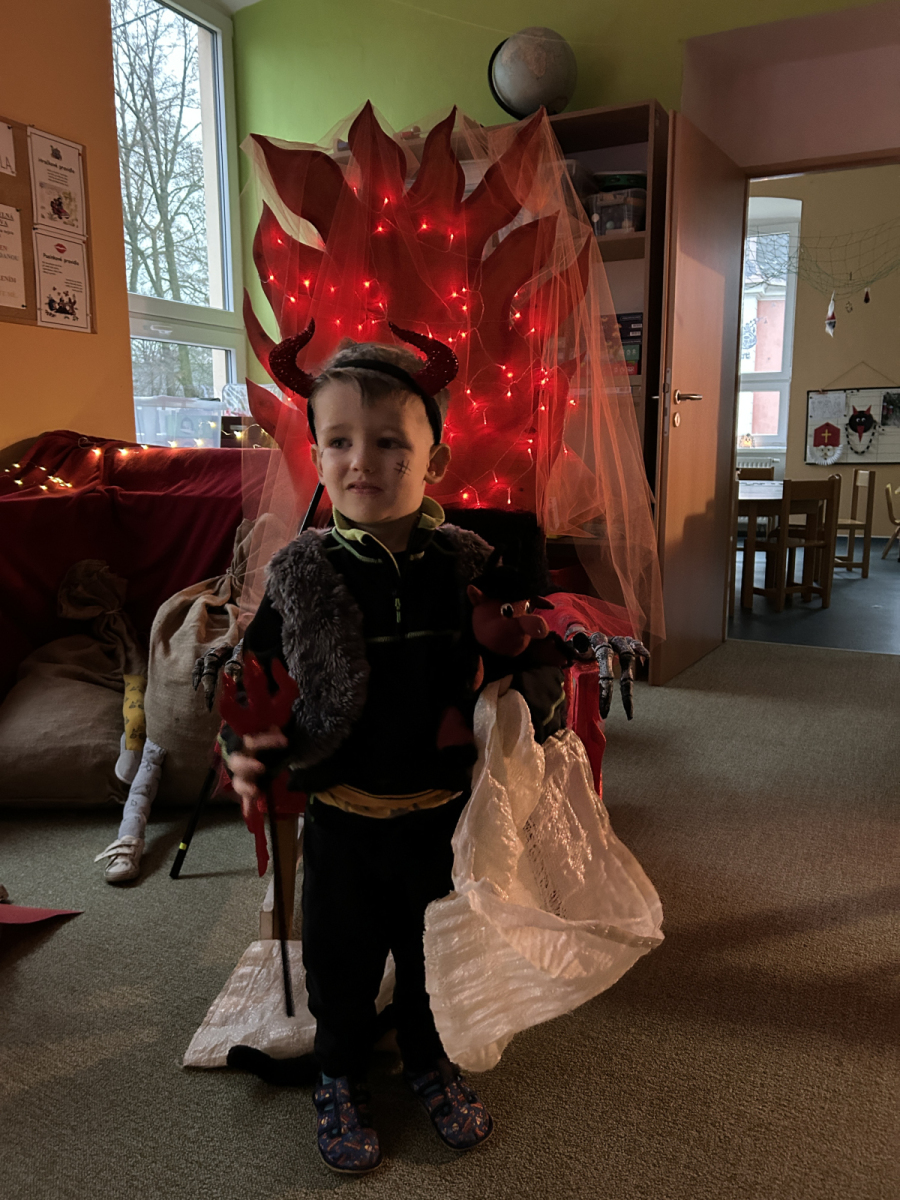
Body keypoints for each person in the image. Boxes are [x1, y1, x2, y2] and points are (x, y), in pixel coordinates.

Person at [225, 337, 495, 1175]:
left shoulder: (463, 568)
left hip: (439, 815)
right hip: (342, 817)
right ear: (316, 455)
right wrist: (247, 748)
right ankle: (338, 1071)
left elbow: (513, 661)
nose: (361, 460)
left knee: (432, 956)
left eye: (388, 442)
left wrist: (534, 680)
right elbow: (251, 683)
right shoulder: (301, 574)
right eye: (339, 440)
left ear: (434, 460)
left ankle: (427, 1059)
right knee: (340, 964)